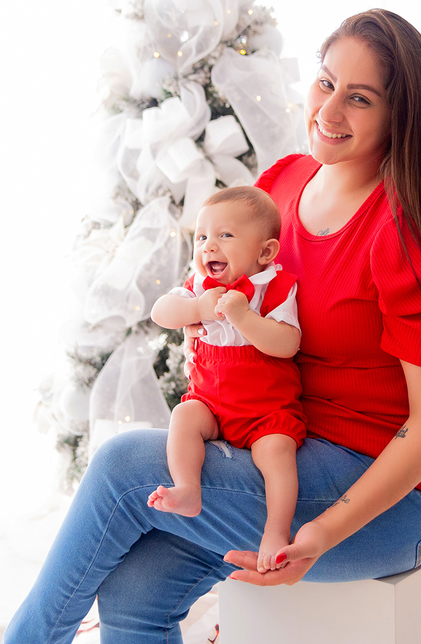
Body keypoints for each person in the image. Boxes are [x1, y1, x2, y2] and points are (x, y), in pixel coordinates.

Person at [5, 9, 421, 644]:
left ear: (399, 117)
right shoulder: (282, 184)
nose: (330, 111)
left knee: (125, 466)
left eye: (360, 98)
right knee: (135, 593)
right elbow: (220, 291)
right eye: (326, 83)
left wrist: (319, 533)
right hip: (282, 444)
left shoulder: (409, 233)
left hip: (394, 497)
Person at [147, 186, 307, 575]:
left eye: (225, 236)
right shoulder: (199, 287)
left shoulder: (275, 287)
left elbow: (288, 343)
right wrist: (195, 308)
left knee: (278, 455)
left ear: (264, 252)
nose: (209, 247)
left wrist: (245, 318)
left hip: (266, 412)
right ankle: (188, 489)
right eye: (202, 237)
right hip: (212, 405)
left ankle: (275, 532)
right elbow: (159, 311)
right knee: (184, 418)